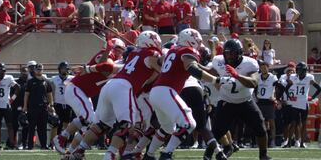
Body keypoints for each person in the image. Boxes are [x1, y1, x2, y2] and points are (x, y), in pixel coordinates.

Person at [66, 31, 161, 160]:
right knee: (127, 124)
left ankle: (79, 150)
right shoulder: (152, 54)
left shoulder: (133, 54)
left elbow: (111, 67)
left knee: (102, 124)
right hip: (124, 87)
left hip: (110, 86)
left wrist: (88, 68)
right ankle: (110, 155)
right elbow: (162, 72)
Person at [145, 28, 210, 159]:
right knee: (189, 123)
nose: (198, 44)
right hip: (166, 91)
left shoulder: (172, 50)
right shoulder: (187, 51)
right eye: (197, 40)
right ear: (190, 40)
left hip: (156, 91)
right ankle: (166, 153)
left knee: (167, 128)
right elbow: (192, 68)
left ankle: (149, 154)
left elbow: (160, 61)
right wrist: (216, 80)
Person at [53, 39, 124, 154]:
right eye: (119, 50)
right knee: (87, 117)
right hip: (76, 88)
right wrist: (108, 51)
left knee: (92, 124)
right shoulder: (106, 55)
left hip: (83, 93)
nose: (121, 53)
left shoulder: (114, 60)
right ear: (113, 48)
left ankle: (70, 152)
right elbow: (105, 68)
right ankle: (61, 137)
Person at [207, 39, 271, 160]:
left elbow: (253, 82)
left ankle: (263, 155)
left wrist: (237, 75)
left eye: (232, 53)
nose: (229, 56)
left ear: (240, 53)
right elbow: (211, 72)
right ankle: (208, 155)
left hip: (245, 101)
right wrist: (195, 66)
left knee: (261, 128)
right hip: (227, 100)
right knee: (216, 131)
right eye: (227, 53)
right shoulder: (218, 60)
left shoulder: (250, 63)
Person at [282, 62, 321, 148]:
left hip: (304, 102)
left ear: (304, 70)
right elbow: (286, 88)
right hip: (295, 103)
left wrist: (312, 97)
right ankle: (289, 143)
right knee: (293, 123)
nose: (299, 71)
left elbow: (319, 89)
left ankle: (302, 142)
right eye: (298, 70)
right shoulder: (293, 77)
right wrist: (289, 96)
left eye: (300, 70)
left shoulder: (309, 78)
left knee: (303, 123)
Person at [22, 63, 54, 150]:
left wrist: (51, 105)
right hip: (32, 107)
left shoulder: (46, 81)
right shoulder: (30, 82)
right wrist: (25, 106)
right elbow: (26, 95)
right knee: (31, 127)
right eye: (37, 69)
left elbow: (49, 94)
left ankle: (44, 145)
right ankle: (30, 145)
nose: (39, 71)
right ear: (35, 70)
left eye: (40, 69)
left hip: (43, 107)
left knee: (42, 127)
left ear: (43, 70)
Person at [256, 60, 279, 148]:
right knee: (261, 123)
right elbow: (254, 87)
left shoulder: (273, 77)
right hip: (260, 101)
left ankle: (272, 141)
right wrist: (256, 96)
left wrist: (275, 97)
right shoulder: (258, 77)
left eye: (265, 68)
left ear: (268, 68)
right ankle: (261, 141)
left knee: (271, 123)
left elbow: (278, 87)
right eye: (261, 68)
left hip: (269, 102)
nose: (263, 69)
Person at [50, 61, 74, 133]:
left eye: (66, 69)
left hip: (68, 104)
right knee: (57, 123)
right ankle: (54, 141)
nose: (64, 70)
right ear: (59, 69)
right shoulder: (54, 79)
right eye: (63, 68)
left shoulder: (72, 78)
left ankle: (65, 140)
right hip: (58, 104)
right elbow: (50, 91)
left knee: (67, 123)